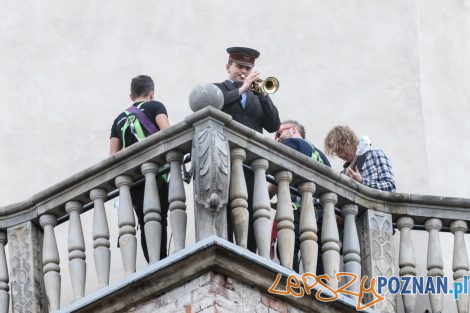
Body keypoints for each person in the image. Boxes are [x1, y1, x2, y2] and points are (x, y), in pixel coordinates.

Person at [214, 47, 281, 253]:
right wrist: (242, 89)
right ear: (228, 67)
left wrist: (262, 95)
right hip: (224, 159)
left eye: (248, 68)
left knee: (252, 210)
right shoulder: (217, 89)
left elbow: (273, 124)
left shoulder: (256, 95)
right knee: (225, 209)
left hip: (250, 165)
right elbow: (212, 105)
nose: (244, 71)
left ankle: (251, 253)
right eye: (240, 66)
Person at [109, 75, 170, 262]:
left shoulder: (118, 120)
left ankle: (153, 261)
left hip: (135, 180)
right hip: (158, 174)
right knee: (160, 218)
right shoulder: (156, 106)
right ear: (152, 94)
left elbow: (112, 157)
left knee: (145, 222)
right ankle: (162, 259)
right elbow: (168, 133)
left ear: (131, 96)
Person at [272, 120, 331, 272]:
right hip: (320, 215)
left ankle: (291, 288)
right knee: (317, 255)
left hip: (296, 209)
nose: (277, 140)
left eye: (279, 134)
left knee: (287, 250)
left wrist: (268, 192)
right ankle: (321, 292)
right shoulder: (323, 157)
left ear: (293, 130)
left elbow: (279, 168)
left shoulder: (292, 142)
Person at [324, 125, 396, 192]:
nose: (340, 155)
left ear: (350, 141)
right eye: (336, 152)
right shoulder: (343, 173)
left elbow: (390, 186)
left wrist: (362, 181)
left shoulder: (376, 155)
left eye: (340, 149)